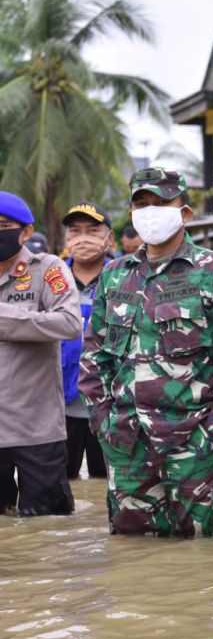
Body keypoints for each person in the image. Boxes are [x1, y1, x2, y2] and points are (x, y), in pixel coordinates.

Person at [79, 167, 213, 537]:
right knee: (132, 565)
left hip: (195, 448)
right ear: (131, 214)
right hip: (127, 447)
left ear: (185, 212)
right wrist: (104, 423)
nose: (150, 212)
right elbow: (94, 357)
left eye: (161, 203)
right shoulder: (114, 275)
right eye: (141, 204)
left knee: (207, 560)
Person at [0, 191, 81, 516]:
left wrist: (4, 318)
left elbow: (70, 323)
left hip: (36, 426)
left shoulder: (48, 268)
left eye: (3, 225)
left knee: (47, 525)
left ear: (26, 232)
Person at [61, 202, 113, 480]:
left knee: (107, 482)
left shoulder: (123, 277)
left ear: (109, 238)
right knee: (59, 483)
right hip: (59, 404)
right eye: (75, 231)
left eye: (92, 231)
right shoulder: (52, 278)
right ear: (66, 239)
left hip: (110, 404)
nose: (83, 239)